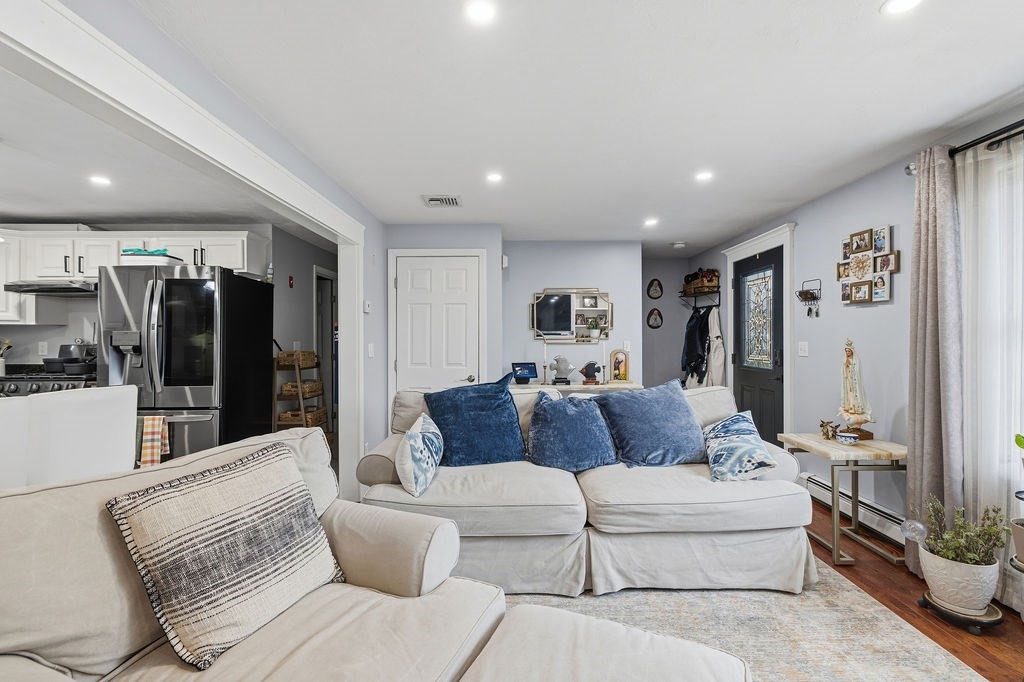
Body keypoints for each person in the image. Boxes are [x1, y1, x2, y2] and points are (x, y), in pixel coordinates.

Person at [838, 339, 873, 430]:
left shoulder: (856, 360)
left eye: (849, 351)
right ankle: (850, 409)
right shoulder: (845, 360)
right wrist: (846, 366)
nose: (847, 353)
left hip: (854, 382)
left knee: (854, 396)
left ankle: (856, 410)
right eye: (846, 351)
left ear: (852, 351)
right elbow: (843, 371)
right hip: (848, 381)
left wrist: (851, 366)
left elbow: (857, 372)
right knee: (849, 396)